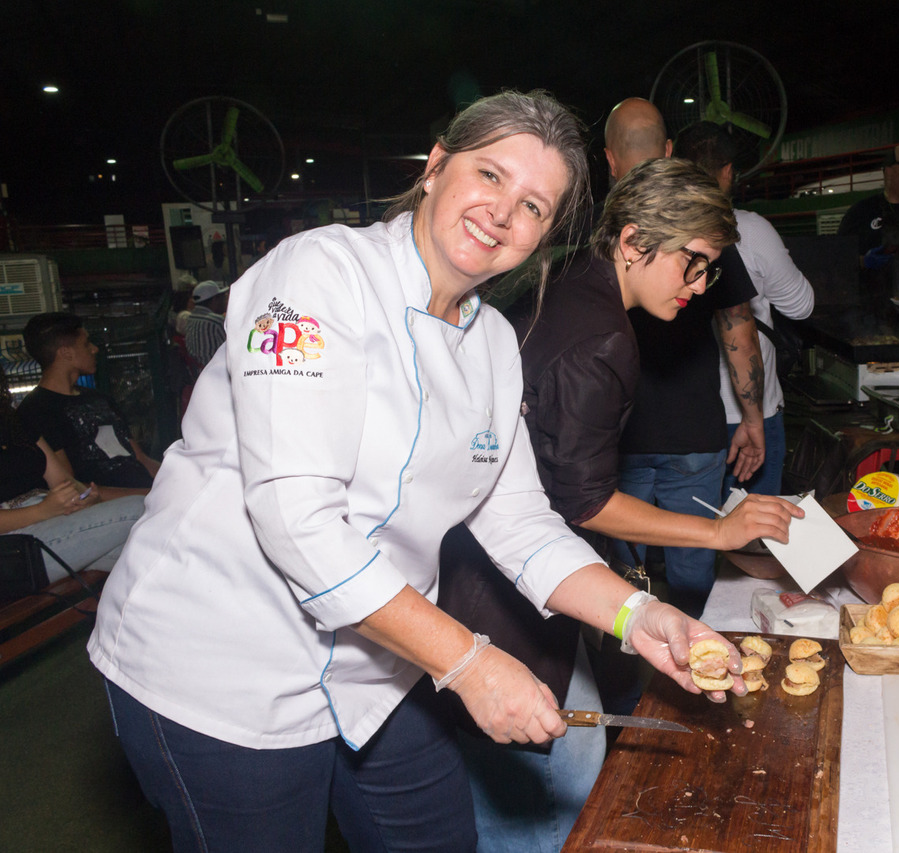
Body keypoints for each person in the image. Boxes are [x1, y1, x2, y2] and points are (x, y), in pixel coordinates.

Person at [86, 90, 752, 853]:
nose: (503, 213)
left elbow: (520, 521)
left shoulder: (491, 342)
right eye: (490, 175)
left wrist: (641, 616)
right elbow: (297, 521)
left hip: (379, 667)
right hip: (225, 664)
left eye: (534, 205)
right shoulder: (316, 275)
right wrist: (468, 661)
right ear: (436, 167)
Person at [445, 156, 801, 853]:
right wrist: (717, 532)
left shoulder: (568, 276)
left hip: (481, 557)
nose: (699, 287)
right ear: (635, 241)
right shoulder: (604, 338)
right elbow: (583, 503)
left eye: (709, 271)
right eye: (693, 264)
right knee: (559, 793)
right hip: (506, 588)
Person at [602, 97, 768, 619]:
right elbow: (737, 327)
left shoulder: (597, 228)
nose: (694, 284)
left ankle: (630, 662)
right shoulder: (698, 222)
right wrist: (753, 418)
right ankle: (697, 657)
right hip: (693, 433)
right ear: (669, 149)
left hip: (616, 438)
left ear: (609, 159)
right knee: (696, 572)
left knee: (622, 578)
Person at [674, 121, 815, 497]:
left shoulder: (656, 231)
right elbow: (801, 306)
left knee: (688, 523)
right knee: (757, 525)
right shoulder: (749, 231)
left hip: (680, 418)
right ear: (727, 172)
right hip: (750, 416)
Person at [0, 363, 145, 581]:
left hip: (53, 520)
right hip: (15, 545)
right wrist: (43, 511)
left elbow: (62, 480)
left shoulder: (13, 423)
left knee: (149, 553)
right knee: (139, 508)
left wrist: (84, 499)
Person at [17, 312, 158, 491]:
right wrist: (144, 495)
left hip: (145, 493)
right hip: (107, 503)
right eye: (86, 344)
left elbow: (140, 458)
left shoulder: (101, 399)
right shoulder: (36, 410)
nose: (94, 349)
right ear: (66, 353)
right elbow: (68, 487)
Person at [837, 143, 899, 315]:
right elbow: (838, 259)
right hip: (875, 311)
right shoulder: (862, 210)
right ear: (888, 172)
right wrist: (863, 261)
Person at [182, 279, 230, 368]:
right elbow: (233, 352)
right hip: (217, 372)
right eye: (223, 298)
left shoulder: (190, 319)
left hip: (199, 372)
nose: (225, 302)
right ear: (214, 300)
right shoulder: (216, 322)